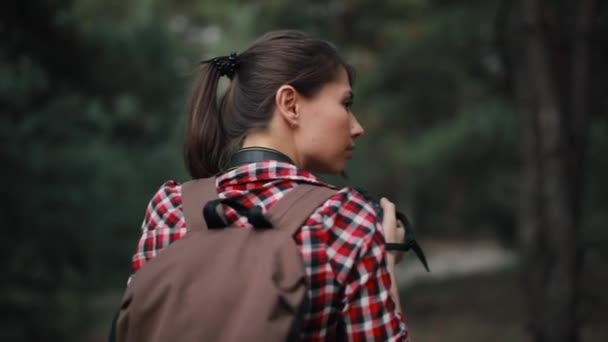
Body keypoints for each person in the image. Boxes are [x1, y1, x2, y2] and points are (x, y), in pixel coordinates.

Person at [130, 30, 409, 341]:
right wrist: (386, 261)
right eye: (346, 103)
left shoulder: (168, 208)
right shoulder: (344, 220)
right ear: (290, 104)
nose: (357, 127)